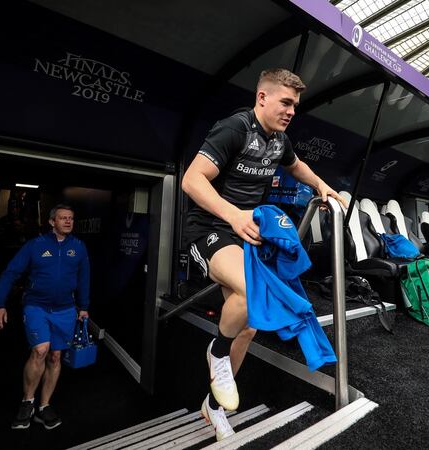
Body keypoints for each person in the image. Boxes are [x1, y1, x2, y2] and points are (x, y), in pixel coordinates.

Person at [181, 68, 347, 441]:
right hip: (210, 229)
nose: (291, 111)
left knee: (251, 322)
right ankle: (218, 351)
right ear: (262, 98)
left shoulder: (279, 140)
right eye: (285, 102)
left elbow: (295, 165)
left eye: (295, 106)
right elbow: (191, 180)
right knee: (249, 291)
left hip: (244, 232)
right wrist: (233, 214)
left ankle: (214, 404)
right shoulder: (234, 128)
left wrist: (322, 185)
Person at [0, 204, 90, 430]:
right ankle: (28, 401)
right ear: (52, 222)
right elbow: (10, 273)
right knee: (40, 350)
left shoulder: (79, 247)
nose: (68, 222)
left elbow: (84, 277)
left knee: (55, 356)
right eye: (63, 218)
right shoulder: (35, 246)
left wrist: (83, 306)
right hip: (37, 306)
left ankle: (44, 406)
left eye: (71, 218)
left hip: (65, 309)